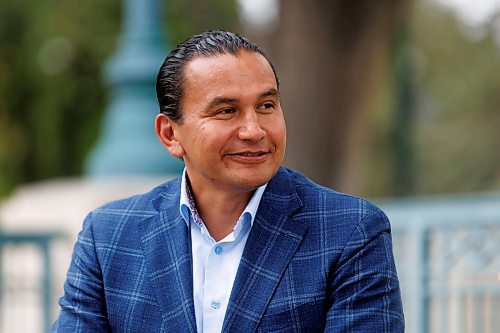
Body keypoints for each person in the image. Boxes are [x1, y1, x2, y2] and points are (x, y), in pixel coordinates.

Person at [53, 30, 404, 332]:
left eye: (266, 106)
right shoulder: (109, 237)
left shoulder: (351, 232)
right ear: (170, 134)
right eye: (226, 111)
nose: (254, 130)